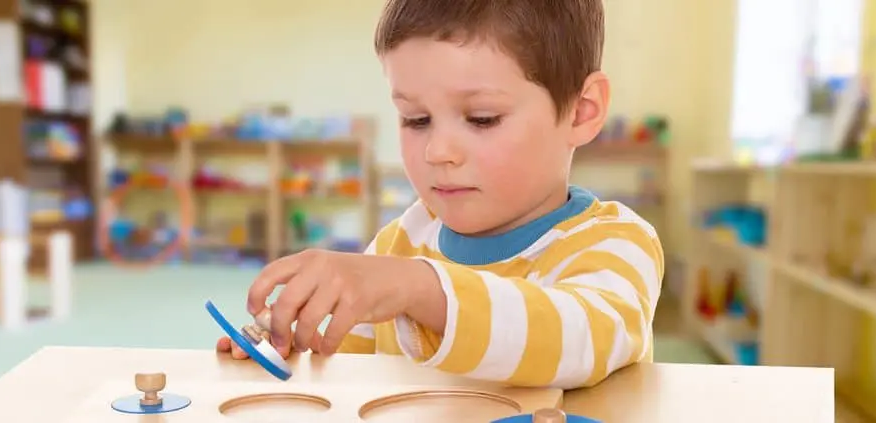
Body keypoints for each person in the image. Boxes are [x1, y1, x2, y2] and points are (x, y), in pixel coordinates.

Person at [217, 0, 664, 389]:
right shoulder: (401, 243)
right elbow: (349, 366)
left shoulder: (616, 243)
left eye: (483, 118)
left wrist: (419, 288)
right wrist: (291, 345)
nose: (438, 152)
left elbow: (581, 339)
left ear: (582, 112)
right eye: (415, 119)